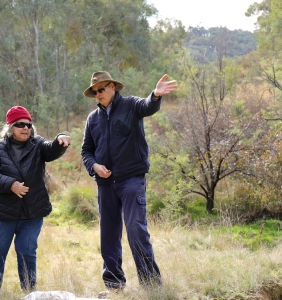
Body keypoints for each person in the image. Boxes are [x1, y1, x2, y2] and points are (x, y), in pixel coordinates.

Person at [81, 71, 178, 297]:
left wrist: (155, 95)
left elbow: (148, 107)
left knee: (135, 229)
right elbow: (86, 151)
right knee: (109, 234)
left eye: (101, 89)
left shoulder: (131, 105)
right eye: (94, 92)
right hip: (105, 185)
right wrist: (94, 166)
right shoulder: (92, 119)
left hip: (132, 179)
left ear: (113, 86)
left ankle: (151, 285)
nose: (98, 95)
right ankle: (114, 284)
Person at [0, 106, 71, 292]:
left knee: (27, 251)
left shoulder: (38, 144)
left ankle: (29, 291)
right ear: (10, 127)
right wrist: (11, 184)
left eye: (28, 124)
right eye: (20, 124)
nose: (25, 128)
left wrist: (60, 139)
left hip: (32, 211)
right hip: (4, 211)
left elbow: (51, 150)